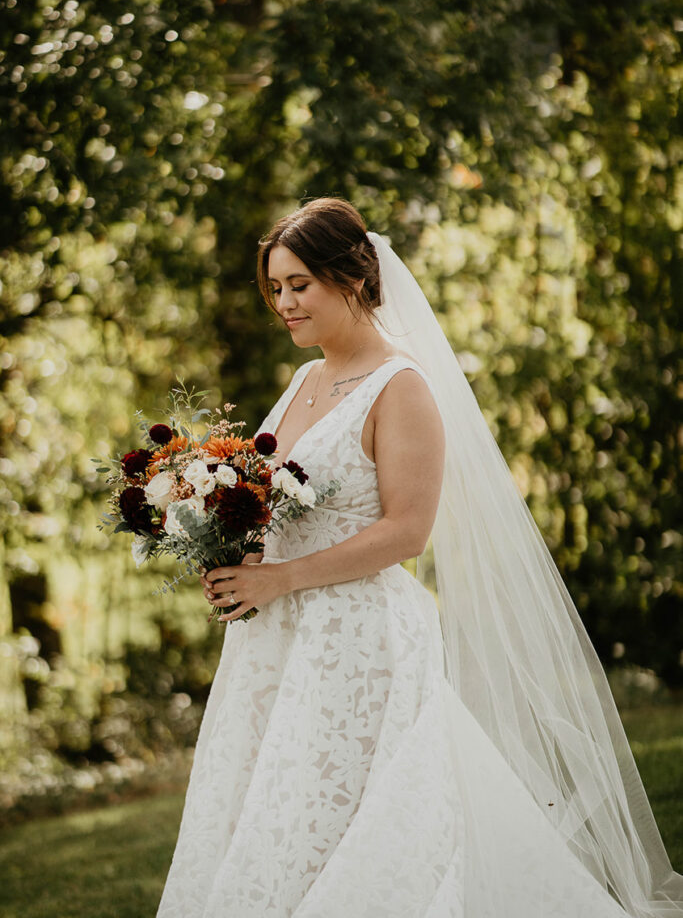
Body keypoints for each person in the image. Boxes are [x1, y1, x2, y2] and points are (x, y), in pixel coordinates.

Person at [157, 198, 683, 918]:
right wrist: (223, 536)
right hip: (275, 638)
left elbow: (407, 531)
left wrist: (279, 577)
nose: (284, 302)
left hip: (356, 638)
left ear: (352, 277)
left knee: (348, 815)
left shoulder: (399, 387)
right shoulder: (304, 383)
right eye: (275, 287)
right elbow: (278, 502)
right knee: (271, 806)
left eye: (300, 284)